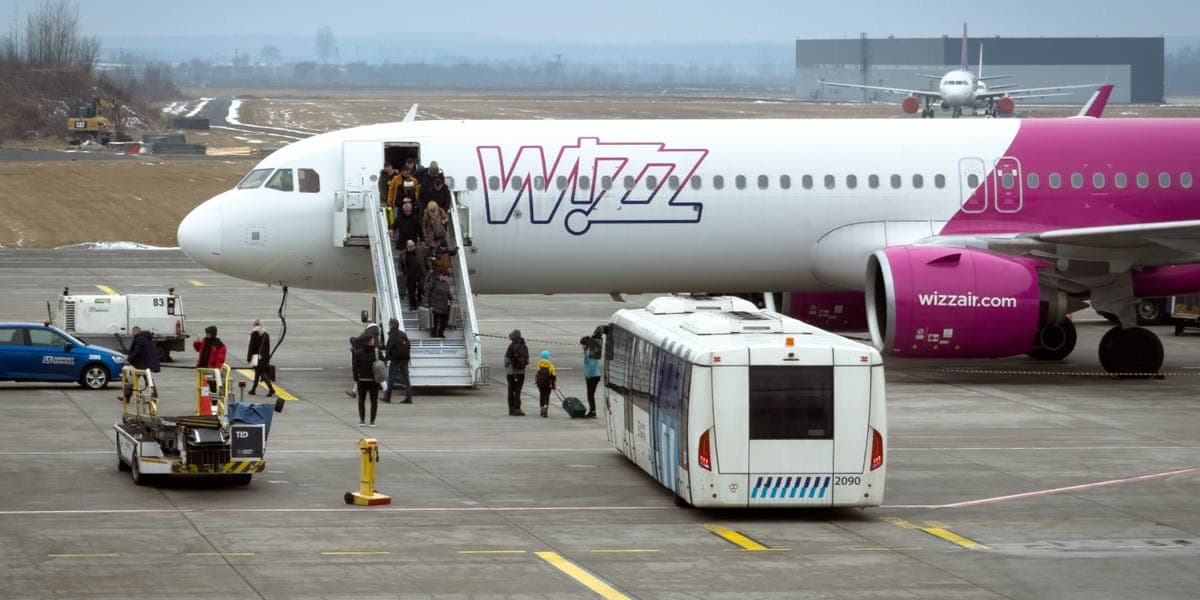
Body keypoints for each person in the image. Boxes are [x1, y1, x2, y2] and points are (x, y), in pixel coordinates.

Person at [381, 318, 413, 404]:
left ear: (391, 325)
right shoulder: (403, 334)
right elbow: (409, 346)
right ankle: (409, 398)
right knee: (406, 379)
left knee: (391, 378)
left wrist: (386, 359)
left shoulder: (393, 334)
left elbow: (389, 347)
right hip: (405, 358)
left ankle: (387, 397)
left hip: (396, 360)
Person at [352, 334, 381, 426]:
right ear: (371, 341)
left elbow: (355, 367)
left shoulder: (359, 352)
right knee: (374, 400)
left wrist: (356, 378)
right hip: (373, 380)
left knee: (361, 400)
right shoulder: (377, 352)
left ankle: (362, 420)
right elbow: (382, 364)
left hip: (362, 380)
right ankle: (372, 421)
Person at [192, 325, 227, 393]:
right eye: (207, 333)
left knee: (211, 385)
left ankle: (213, 397)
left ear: (212, 333)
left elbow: (220, 360)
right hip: (202, 368)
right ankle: (205, 397)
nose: (207, 334)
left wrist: (216, 370)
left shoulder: (220, 345)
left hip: (210, 369)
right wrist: (196, 343)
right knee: (203, 385)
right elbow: (198, 349)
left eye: (208, 333)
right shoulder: (204, 341)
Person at [246, 319, 275, 397]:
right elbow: (268, 348)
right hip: (264, 358)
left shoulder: (254, 334)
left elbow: (251, 347)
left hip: (256, 357)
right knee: (258, 372)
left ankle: (271, 389)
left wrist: (249, 358)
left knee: (262, 373)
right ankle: (253, 390)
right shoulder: (266, 334)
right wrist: (267, 358)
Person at [504, 330, 529, 416]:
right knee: (518, 391)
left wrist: (507, 367)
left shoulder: (511, 346)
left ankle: (511, 409)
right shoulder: (524, 345)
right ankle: (517, 408)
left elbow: (506, 360)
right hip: (521, 372)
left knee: (511, 391)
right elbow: (527, 359)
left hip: (511, 373)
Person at [423, 270, 452, 338]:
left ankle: (440, 333)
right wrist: (426, 301)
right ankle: (434, 334)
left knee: (444, 321)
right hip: (435, 304)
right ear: (442, 276)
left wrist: (451, 299)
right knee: (435, 321)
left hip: (444, 304)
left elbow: (448, 293)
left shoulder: (446, 283)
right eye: (446, 277)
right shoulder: (433, 281)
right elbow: (427, 290)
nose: (447, 279)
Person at [399, 238, 427, 308]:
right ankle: (413, 305)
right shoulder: (403, 254)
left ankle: (419, 298)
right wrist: (403, 272)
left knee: (421, 286)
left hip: (420, 272)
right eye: (410, 246)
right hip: (410, 275)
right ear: (407, 246)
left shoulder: (420, 250)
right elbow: (401, 265)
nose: (412, 247)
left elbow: (425, 259)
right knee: (411, 290)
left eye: (413, 246)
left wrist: (428, 267)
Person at [580, 336, 601, 418]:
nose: (581, 346)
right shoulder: (590, 351)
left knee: (590, 395)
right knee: (590, 394)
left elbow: (592, 365)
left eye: (582, 344)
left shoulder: (589, 353)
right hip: (593, 375)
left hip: (593, 376)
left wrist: (588, 376)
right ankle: (592, 411)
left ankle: (593, 412)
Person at [534, 350, 557, 418]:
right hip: (548, 384)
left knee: (542, 395)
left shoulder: (538, 364)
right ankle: (545, 407)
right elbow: (553, 376)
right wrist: (553, 385)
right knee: (547, 396)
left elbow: (537, 373)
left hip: (540, 384)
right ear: (548, 357)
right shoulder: (550, 365)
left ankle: (541, 408)